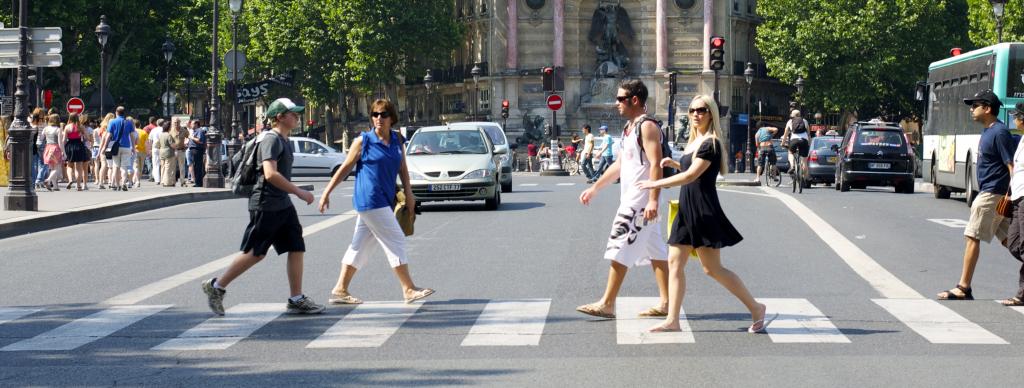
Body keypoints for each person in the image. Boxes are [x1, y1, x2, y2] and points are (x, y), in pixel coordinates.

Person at [635, 94, 773, 333]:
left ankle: (756, 307)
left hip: (703, 210)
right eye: (692, 110)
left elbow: (692, 176)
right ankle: (673, 320)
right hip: (687, 208)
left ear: (711, 114)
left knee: (712, 269)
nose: (696, 114)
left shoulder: (711, 143)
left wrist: (654, 184)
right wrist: (675, 164)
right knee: (674, 263)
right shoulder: (695, 141)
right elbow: (691, 169)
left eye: (701, 110)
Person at [202, 97, 324, 316]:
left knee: (296, 246)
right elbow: (270, 174)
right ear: (280, 117)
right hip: (266, 203)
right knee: (256, 253)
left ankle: (296, 298)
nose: (297, 117)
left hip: (282, 203)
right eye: (293, 114)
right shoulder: (271, 140)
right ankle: (217, 286)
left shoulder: (283, 139)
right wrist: (298, 191)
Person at [319, 98, 434, 305]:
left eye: (383, 114)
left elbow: (403, 168)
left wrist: (409, 194)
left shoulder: (397, 139)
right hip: (370, 199)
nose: (379, 118)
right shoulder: (363, 141)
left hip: (385, 199)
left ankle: (340, 289)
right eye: (375, 114)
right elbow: (345, 168)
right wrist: (327, 192)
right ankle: (408, 289)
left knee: (360, 246)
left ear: (392, 118)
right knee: (396, 239)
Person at [576, 79, 670, 320]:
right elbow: (619, 165)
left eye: (620, 99)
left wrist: (653, 200)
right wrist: (595, 188)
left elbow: (656, 164)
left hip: (639, 200)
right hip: (633, 197)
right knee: (656, 249)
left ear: (634, 100)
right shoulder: (630, 128)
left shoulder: (647, 127)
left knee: (620, 245)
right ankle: (666, 302)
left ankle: (607, 303)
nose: (616, 103)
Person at [938, 90, 1015, 300]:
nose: (971, 109)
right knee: (1013, 242)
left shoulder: (999, 132)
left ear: (987, 108)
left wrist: (1011, 195)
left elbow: (1011, 166)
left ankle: (963, 287)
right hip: (992, 193)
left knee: (972, 236)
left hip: (992, 194)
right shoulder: (989, 131)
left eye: (975, 105)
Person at [1003, 103, 1024, 307]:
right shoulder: (1022, 138)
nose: (1014, 119)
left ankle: (1022, 293)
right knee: (1014, 244)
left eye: (1017, 116)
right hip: (1017, 198)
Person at [106, 107, 138, 191]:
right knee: (124, 167)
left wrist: (105, 146)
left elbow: (108, 136)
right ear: (124, 113)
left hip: (116, 147)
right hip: (126, 147)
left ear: (116, 112)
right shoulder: (129, 123)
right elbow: (132, 136)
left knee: (116, 166)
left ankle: (117, 185)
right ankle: (123, 183)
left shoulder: (112, 122)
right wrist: (133, 147)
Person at [63, 113, 91, 191]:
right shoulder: (81, 126)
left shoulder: (67, 127)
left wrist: (62, 150)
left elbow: (64, 140)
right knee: (78, 168)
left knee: (69, 166)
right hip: (79, 146)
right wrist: (83, 135)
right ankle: (78, 186)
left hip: (70, 146)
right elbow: (87, 138)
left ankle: (70, 180)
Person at [782, 109, 810, 175]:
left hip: (794, 140)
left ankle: (792, 166)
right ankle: (805, 177)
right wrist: (809, 143)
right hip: (804, 141)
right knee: (804, 161)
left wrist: (783, 143)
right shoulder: (804, 121)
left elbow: (785, 134)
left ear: (793, 115)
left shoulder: (790, 121)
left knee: (790, 153)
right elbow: (808, 134)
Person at [41, 114, 64, 191]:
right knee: (57, 168)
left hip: (48, 148)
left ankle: (55, 186)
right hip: (55, 149)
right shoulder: (58, 129)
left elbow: (41, 138)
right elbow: (60, 142)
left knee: (52, 168)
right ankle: (48, 180)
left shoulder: (46, 128)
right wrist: (64, 152)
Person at [188, 120, 207, 186]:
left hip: (197, 150)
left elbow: (200, 140)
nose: (191, 125)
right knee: (195, 166)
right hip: (194, 150)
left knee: (198, 166)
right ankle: (197, 182)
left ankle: (199, 182)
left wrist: (192, 137)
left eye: (192, 124)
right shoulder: (195, 131)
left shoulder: (199, 131)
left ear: (196, 124)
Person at [149, 118, 164, 183]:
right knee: (163, 164)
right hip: (163, 147)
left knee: (155, 164)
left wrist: (150, 148)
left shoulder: (154, 130)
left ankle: (157, 179)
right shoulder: (164, 129)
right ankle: (163, 179)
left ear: (157, 123)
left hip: (155, 148)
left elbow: (150, 140)